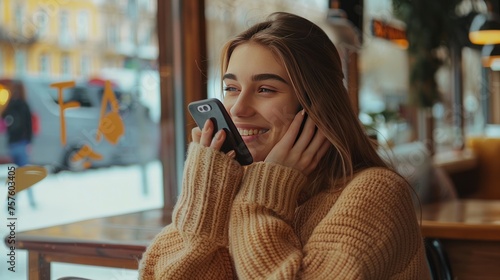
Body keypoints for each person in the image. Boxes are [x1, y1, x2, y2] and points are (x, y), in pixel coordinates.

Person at [139, 12, 430, 279]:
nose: (238, 109)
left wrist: (261, 197)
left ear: (315, 105)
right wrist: (205, 194)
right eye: (231, 88)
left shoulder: (376, 192)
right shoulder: (234, 188)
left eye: (265, 89)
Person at [2, 80, 36, 208]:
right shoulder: (24, 105)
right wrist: (29, 143)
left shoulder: (10, 105)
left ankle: (12, 201)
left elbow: (5, 121)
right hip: (22, 143)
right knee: (23, 173)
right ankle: (30, 200)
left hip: (13, 144)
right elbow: (29, 126)